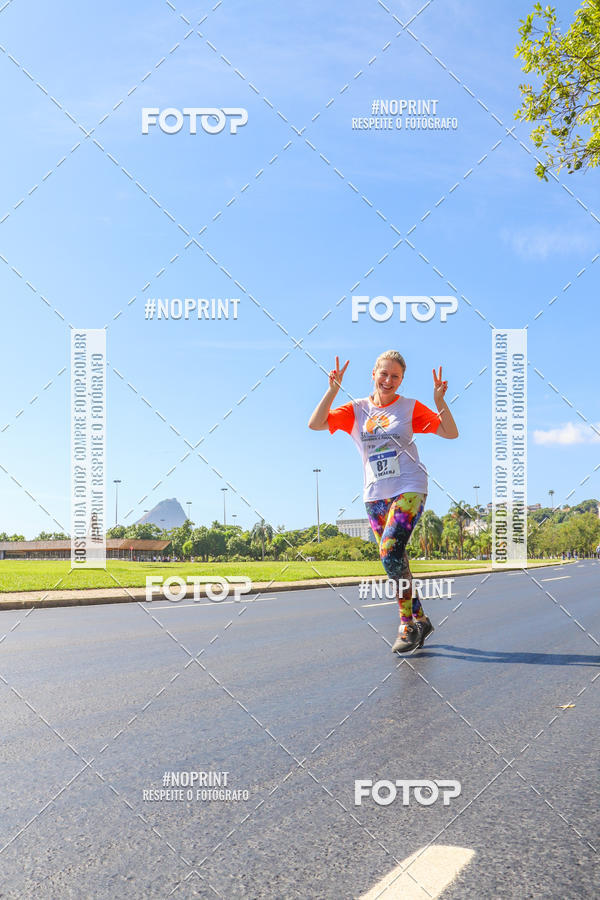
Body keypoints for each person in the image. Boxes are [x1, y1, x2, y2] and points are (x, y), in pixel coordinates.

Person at [308, 350, 459, 653]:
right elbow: (316, 423)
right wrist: (332, 391)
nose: (388, 381)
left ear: (401, 380)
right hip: (374, 494)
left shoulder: (409, 408)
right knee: (394, 561)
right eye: (384, 374)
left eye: (395, 376)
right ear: (373, 374)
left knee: (390, 551)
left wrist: (439, 402)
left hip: (409, 486)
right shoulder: (356, 410)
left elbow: (450, 432)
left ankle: (407, 625)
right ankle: (421, 618)